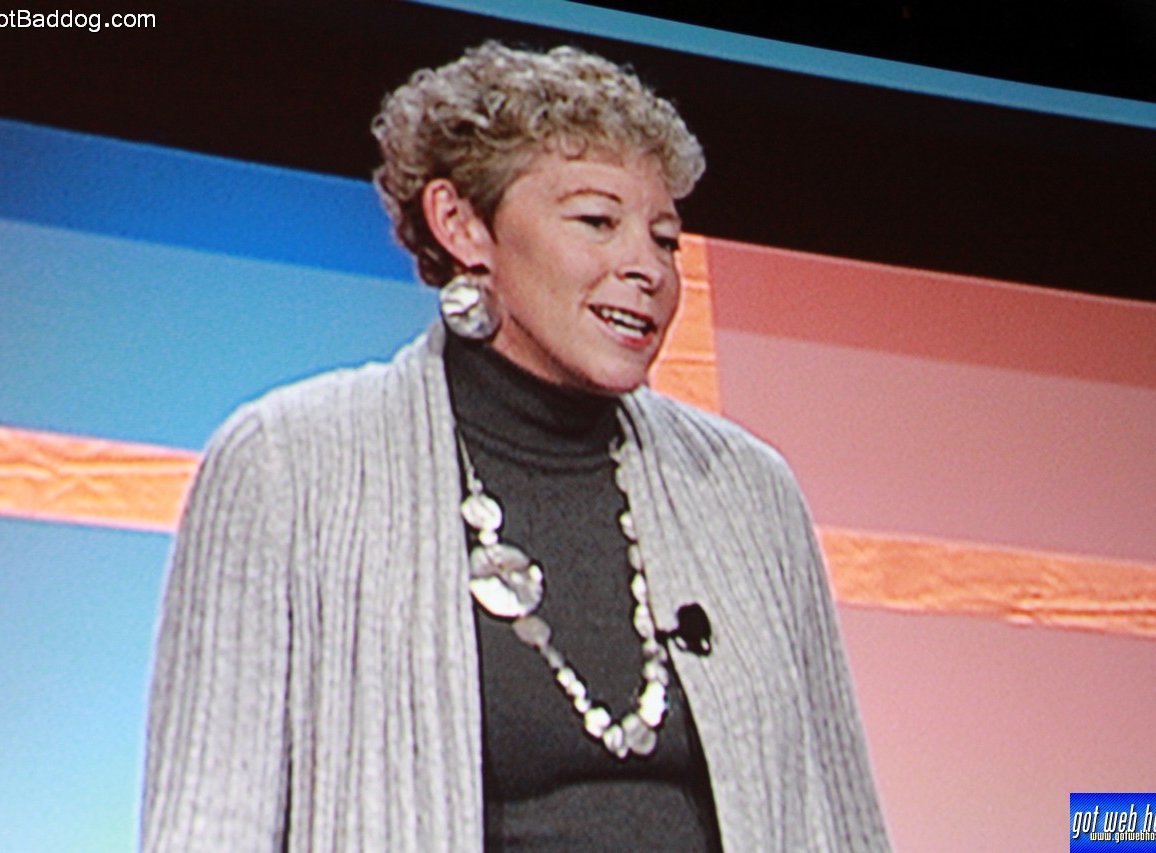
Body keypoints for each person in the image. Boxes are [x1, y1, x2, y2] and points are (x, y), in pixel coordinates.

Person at [141, 42, 889, 852]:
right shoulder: (288, 465)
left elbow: (841, 819)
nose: (648, 268)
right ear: (462, 223)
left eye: (666, 238)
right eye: (598, 221)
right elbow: (208, 824)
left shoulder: (744, 490)